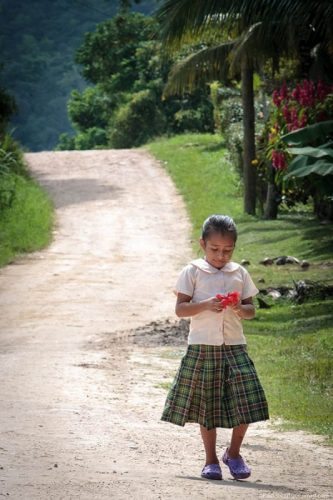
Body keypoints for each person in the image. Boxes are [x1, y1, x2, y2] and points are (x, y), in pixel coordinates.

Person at [161, 214, 269, 481]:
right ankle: (210, 460)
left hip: (235, 346)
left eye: (227, 250)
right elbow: (181, 309)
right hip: (203, 347)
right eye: (215, 250)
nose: (221, 256)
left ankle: (233, 453)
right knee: (206, 406)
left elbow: (251, 310)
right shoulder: (193, 271)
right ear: (202, 244)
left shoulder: (239, 273)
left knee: (248, 400)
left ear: (234, 247)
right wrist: (207, 304)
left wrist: (238, 308)